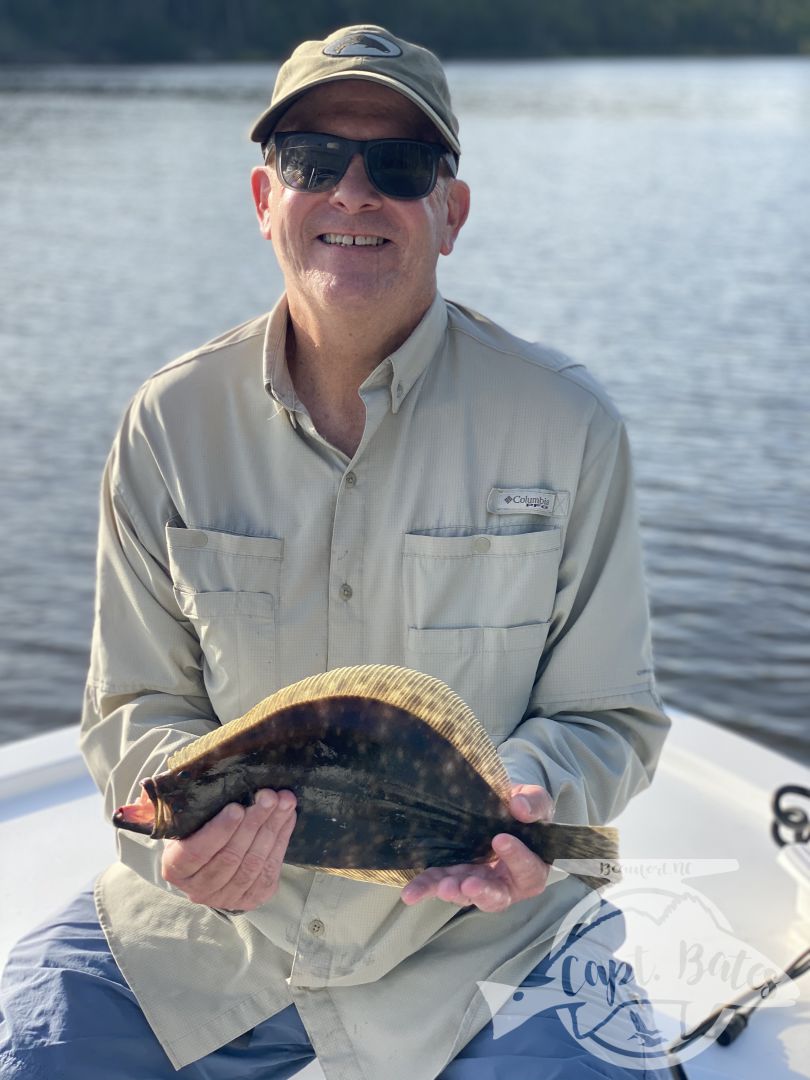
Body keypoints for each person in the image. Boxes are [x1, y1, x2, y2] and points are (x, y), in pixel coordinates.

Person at [0, 24, 670, 1080]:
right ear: (267, 199)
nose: (353, 193)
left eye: (399, 166)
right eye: (314, 159)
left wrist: (525, 805)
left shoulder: (567, 423)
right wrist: (178, 825)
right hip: (204, 941)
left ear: (449, 213)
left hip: (482, 945)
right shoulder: (168, 422)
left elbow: (608, 716)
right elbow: (132, 706)